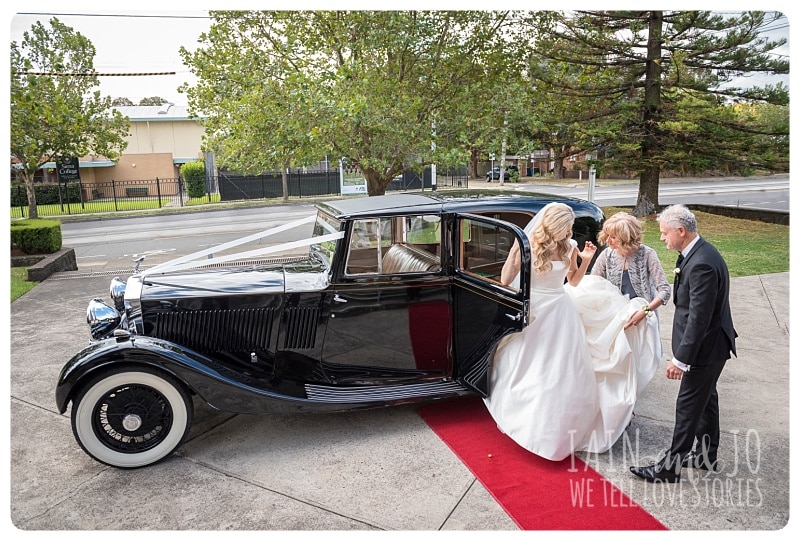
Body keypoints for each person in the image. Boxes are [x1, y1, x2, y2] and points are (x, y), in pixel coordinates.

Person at [484, 202, 661, 461]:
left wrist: (585, 260)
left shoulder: (570, 246)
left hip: (561, 311)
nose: (570, 231)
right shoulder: (529, 246)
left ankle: (558, 424)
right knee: (529, 365)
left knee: (563, 369)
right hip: (536, 310)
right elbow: (504, 279)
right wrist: (514, 251)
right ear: (554, 225)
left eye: (571, 227)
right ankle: (524, 416)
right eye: (567, 227)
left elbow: (574, 281)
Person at [630, 204, 737, 483]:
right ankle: (704, 456)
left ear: (681, 231)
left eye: (666, 233)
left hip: (704, 349)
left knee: (688, 407)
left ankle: (668, 469)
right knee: (706, 401)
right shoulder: (698, 253)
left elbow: (699, 318)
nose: (663, 238)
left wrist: (681, 359)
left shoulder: (701, 263)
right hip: (712, 346)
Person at [591, 212, 670, 398]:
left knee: (638, 363)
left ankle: (631, 399)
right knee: (618, 363)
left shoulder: (648, 254)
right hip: (616, 319)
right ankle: (622, 404)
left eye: (613, 237)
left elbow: (665, 290)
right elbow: (593, 283)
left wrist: (646, 311)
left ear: (626, 238)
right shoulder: (607, 255)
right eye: (607, 235)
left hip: (642, 317)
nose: (608, 240)